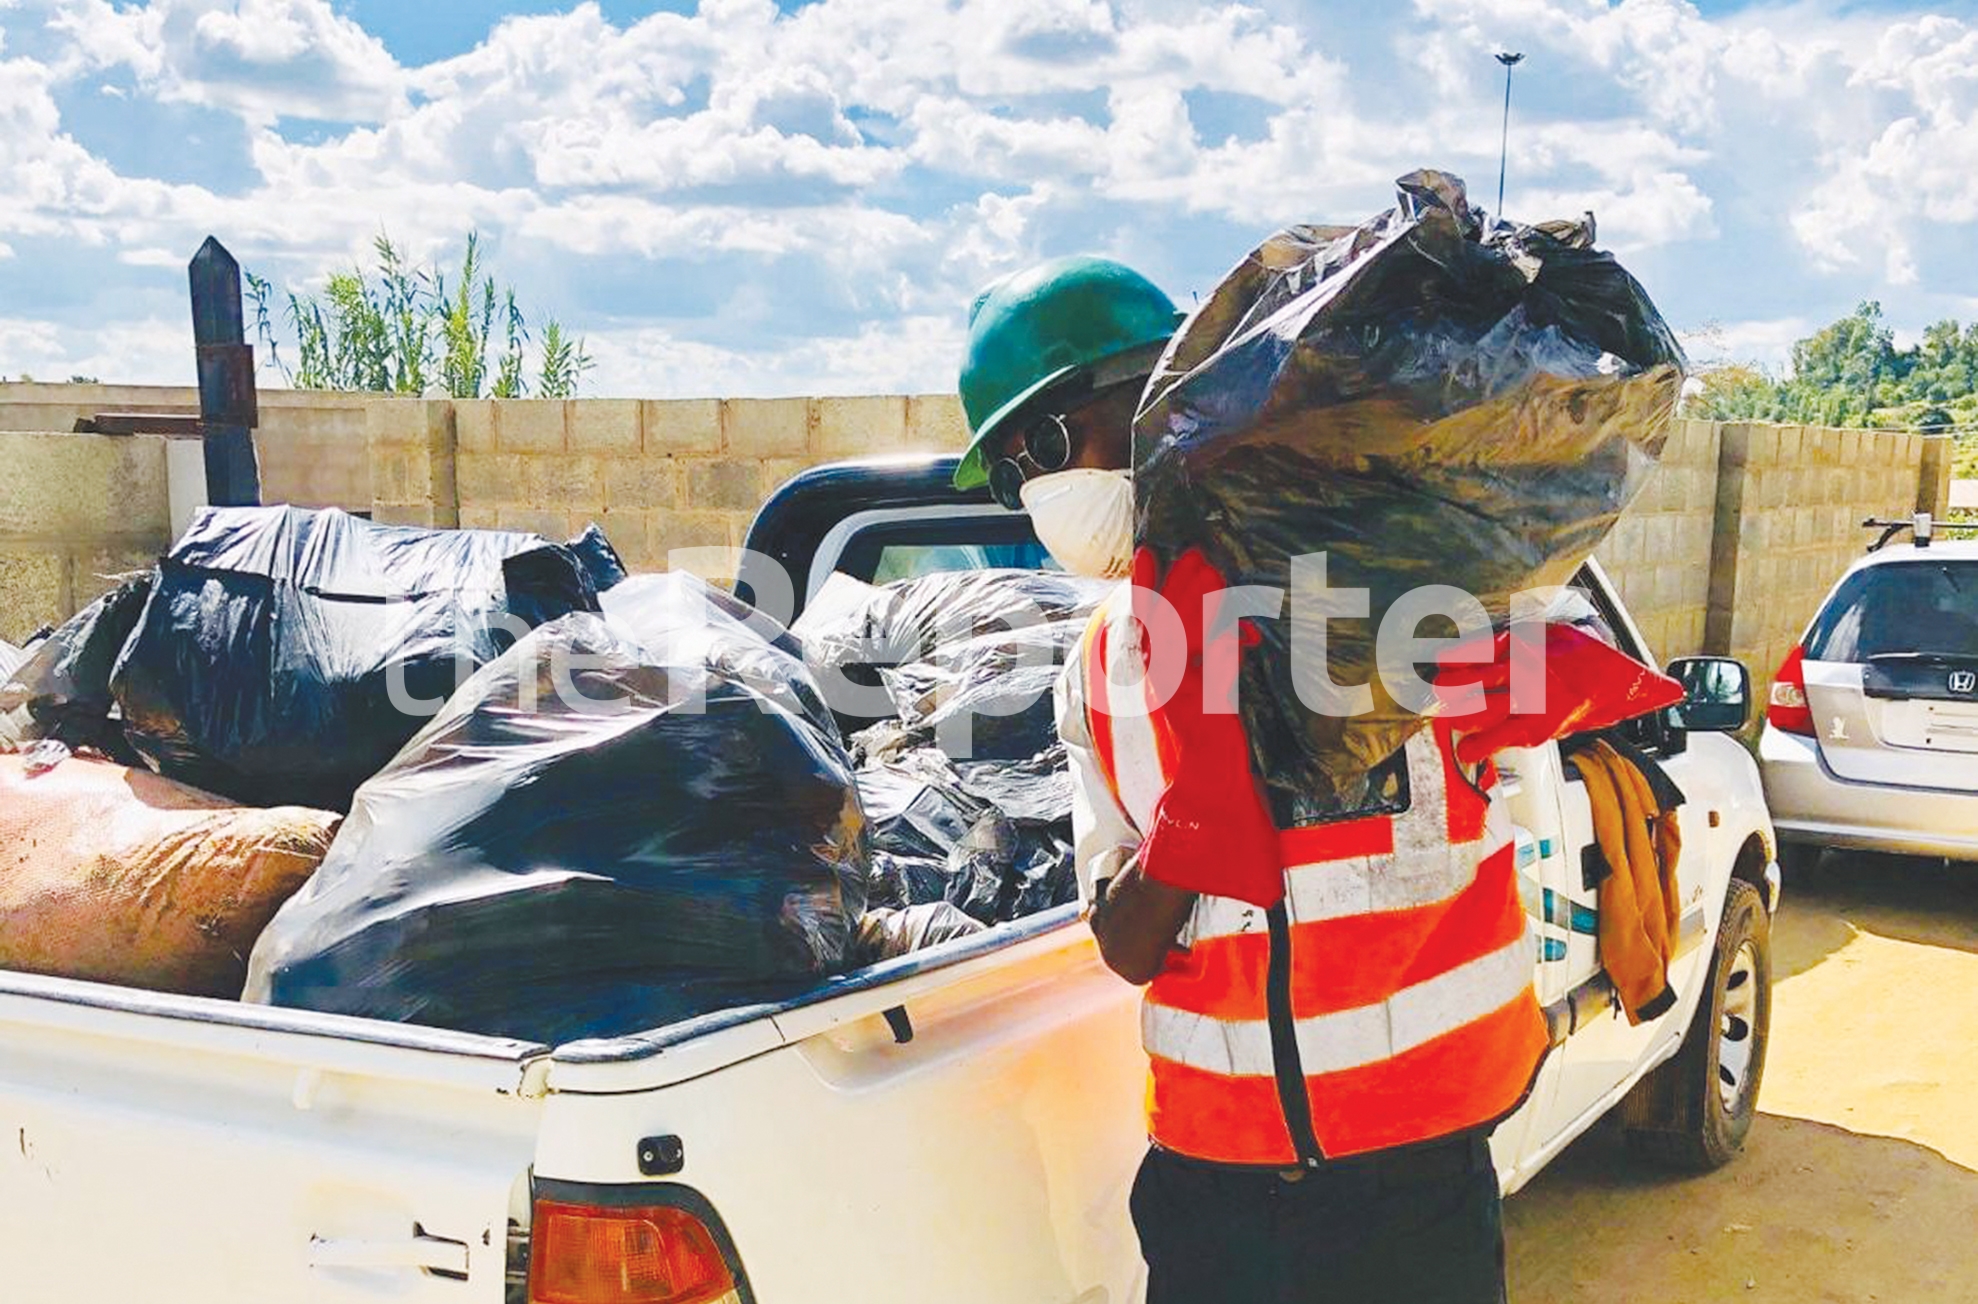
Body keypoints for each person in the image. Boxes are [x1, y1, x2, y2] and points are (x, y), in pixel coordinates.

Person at [954, 255, 1679, 1304]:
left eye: (1050, 442)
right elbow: (1123, 944)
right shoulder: (1102, 663)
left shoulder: (1414, 588)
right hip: (1209, 1184)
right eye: (1016, 467)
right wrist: (1190, 825)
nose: (1038, 487)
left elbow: (1535, 669)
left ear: (1169, 395)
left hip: (1416, 1175)